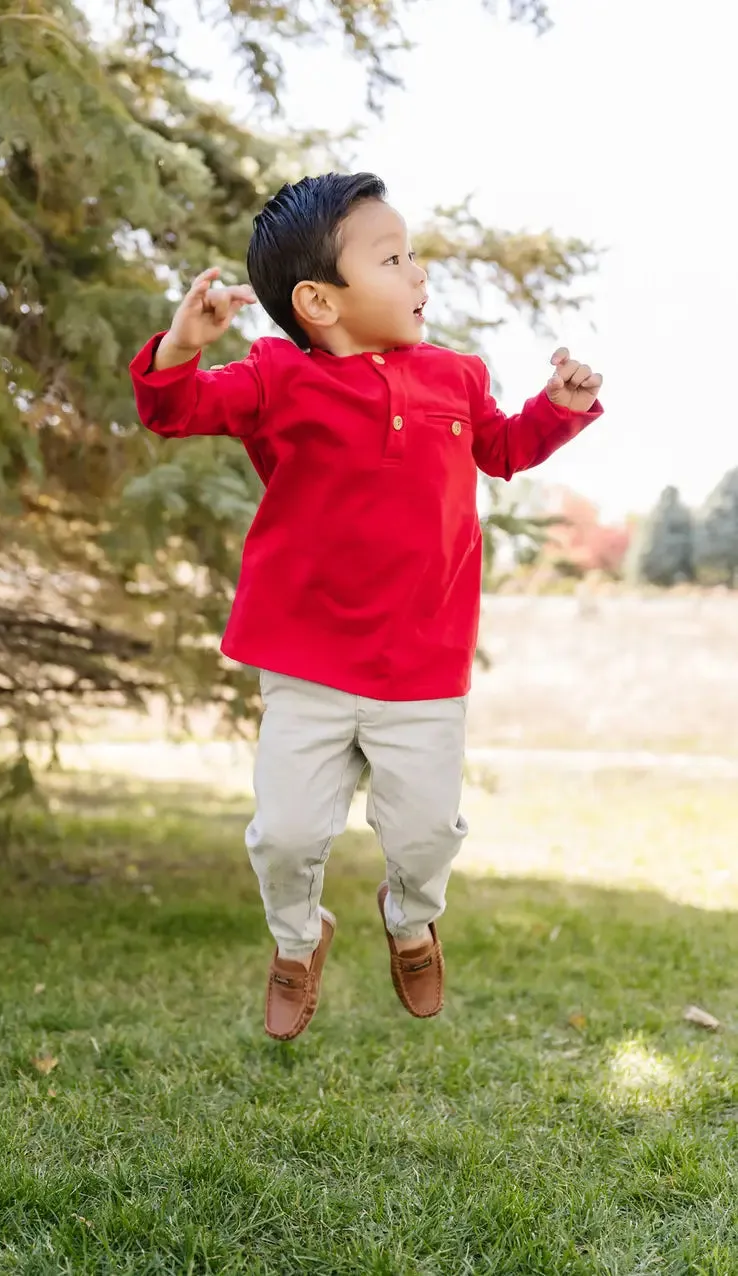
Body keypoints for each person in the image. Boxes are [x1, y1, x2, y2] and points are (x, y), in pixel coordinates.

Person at [129, 172, 604, 1042]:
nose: (420, 274)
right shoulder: (276, 377)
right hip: (305, 662)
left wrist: (557, 408)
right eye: (393, 259)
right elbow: (177, 408)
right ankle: (297, 938)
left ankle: (410, 918)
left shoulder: (457, 377)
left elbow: (501, 448)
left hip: (422, 665)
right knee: (284, 835)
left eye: (414, 253)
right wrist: (180, 345)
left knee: (425, 833)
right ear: (318, 300)